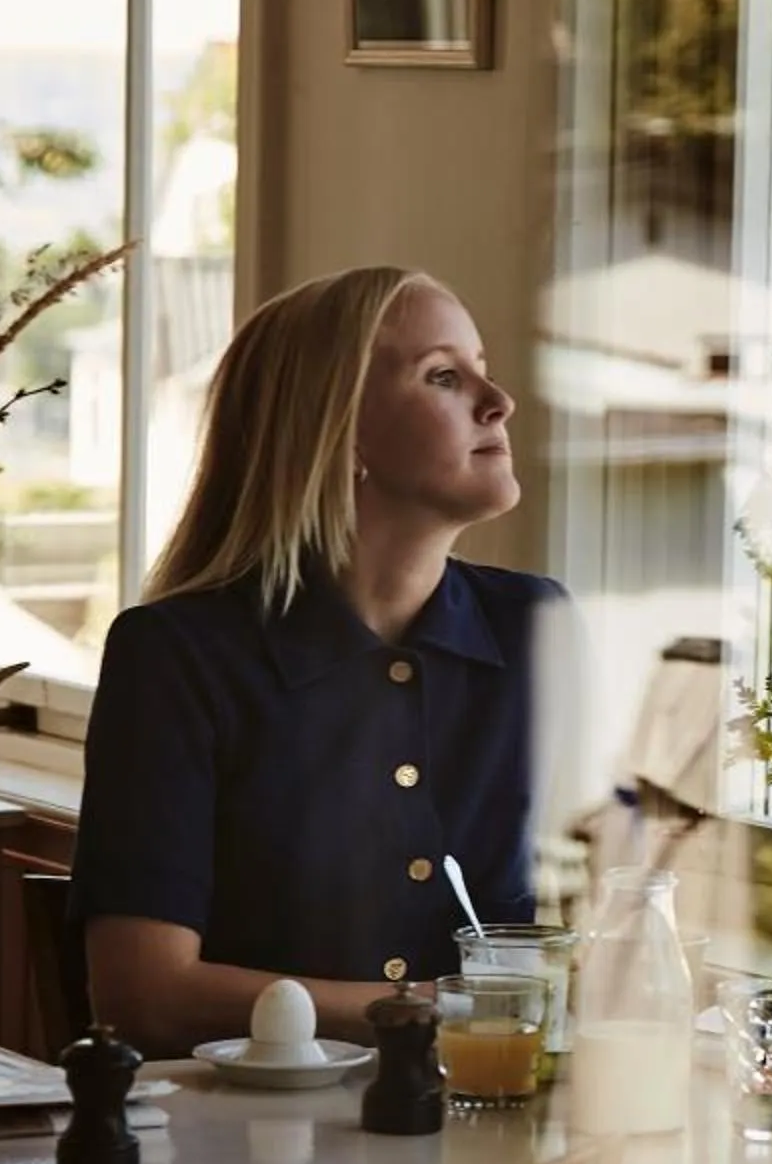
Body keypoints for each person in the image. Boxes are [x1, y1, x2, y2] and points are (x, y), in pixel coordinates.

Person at [71, 266, 563, 1056]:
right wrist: (430, 1010)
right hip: (246, 1148)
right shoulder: (174, 657)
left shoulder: (536, 628)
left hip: (485, 1115)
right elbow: (145, 998)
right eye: (444, 375)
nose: (497, 400)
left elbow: (594, 908)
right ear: (343, 433)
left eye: (482, 366)